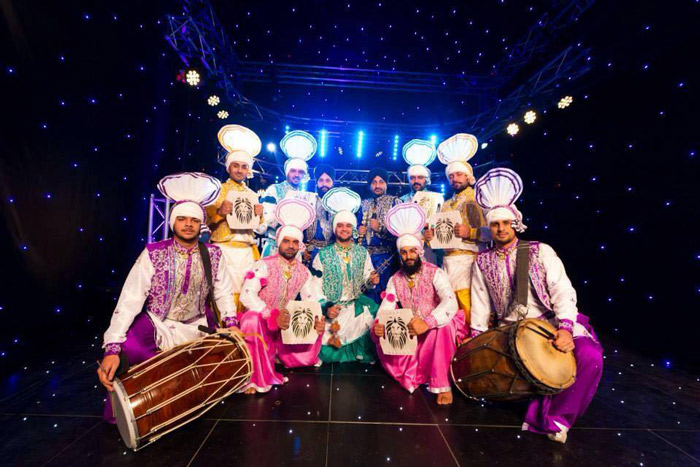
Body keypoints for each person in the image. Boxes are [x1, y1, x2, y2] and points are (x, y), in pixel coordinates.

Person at [470, 168, 603, 444]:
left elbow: (563, 291)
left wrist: (565, 328)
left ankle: (558, 418)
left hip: (549, 322)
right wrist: (477, 339)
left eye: (506, 223)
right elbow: (480, 301)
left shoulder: (540, 250)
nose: (501, 228)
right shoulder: (481, 261)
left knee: (590, 356)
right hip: (511, 329)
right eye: (495, 224)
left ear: (516, 223)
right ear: (489, 227)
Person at [97, 173, 238, 421]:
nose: (188, 224)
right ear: (173, 222)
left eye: (194, 220)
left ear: (201, 224)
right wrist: (112, 348)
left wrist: (231, 322)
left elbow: (223, 291)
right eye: (182, 218)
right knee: (128, 349)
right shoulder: (153, 253)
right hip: (158, 323)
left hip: (197, 325)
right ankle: (129, 413)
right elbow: (130, 299)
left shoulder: (214, 254)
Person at [371, 204, 465, 405]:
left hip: (434, 331)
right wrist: (380, 323)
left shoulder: (435, 273)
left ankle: (442, 384)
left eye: (412, 251)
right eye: (403, 253)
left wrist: (428, 322)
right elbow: (387, 304)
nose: (408, 257)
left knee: (445, 326)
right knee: (379, 331)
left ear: (420, 251)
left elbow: (450, 301)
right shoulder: (395, 279)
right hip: (410, 332)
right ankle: (418, 371)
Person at [238, 199, 326, 393]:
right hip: (261, 323)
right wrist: (270, 315)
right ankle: (252, 378)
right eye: (286, 241)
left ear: (300, 245)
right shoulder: (264, 264)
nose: (290, 246)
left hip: (284, 325)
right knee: (251, 319)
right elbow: (246, 296)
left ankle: (281, 355)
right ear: (279, 243)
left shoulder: (303, 272)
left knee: (314, 327)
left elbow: (310, 300)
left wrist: (318, 320)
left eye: (295, 242)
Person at [425, 133, 490, 331]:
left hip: (469, 259)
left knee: (469, 304)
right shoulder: (445, 204)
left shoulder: (479, 198)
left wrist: (471, 232)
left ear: (468, 176)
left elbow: (494, 232)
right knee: (450, 305)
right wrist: (431, 238)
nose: (455, 179)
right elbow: (441, 236)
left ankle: (474, 340)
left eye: (459, 174)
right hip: (447, 261)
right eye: (451, 176)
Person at [314, 188, 380, 363]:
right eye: (340, 225)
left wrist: (371, 280)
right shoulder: (323, 255)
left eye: (348, 225)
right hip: (332, 311)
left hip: (353, 306)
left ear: (353, 229)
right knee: (325, 352)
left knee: (373, 314)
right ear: (335, 228)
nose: (344, 229)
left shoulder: (362, 252)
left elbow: (367, 276)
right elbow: (314, 288)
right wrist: (326, 307)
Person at [207, 125, 265, 310]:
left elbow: (259, 226)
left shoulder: (252, 194)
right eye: (236, 165)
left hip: (247, 250)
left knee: (246, 293)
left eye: (244, 166)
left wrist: (260, 215)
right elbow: (206, 222)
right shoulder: (218, 191)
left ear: (248, 170)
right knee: (223, 292)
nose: (240, 170)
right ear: (229, 167)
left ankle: (243, 326)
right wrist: (219, 212)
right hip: (224, 248)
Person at [260, 130, 317, 257]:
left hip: (294, 250)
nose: (297, 175)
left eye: (300, 172)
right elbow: (266, 221)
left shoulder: (304, 196)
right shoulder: (274, 189)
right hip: (274, 248)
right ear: (287, 173)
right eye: (293, 171)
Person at [398, 139, 445, 265]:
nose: (416, 181)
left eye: (420, 177)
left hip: (430, 248)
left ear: (426, 179)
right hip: (408, 250)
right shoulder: (402, 201)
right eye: (412, 178)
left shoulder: (436, 199)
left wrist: (433, 232)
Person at [357, 167, 401, 303]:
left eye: (381, 182)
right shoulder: (363, 204)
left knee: (385, 295)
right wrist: (357, 231)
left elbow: (400, 231)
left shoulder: (395, 202)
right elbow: (354, 227)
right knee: (365, 294)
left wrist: (380, 228)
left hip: (387, 258)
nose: (377, 186)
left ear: (386, 184)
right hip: (365, 257)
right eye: (374, 182)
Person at [304, 164, 336, 264]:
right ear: (316, 182)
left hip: (333, 255)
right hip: (310, 254)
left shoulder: (339, 204)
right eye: (321, 180)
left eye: (328, 180)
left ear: (333, 182)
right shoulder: (308, 201)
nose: (324, 184)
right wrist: (302, 249)